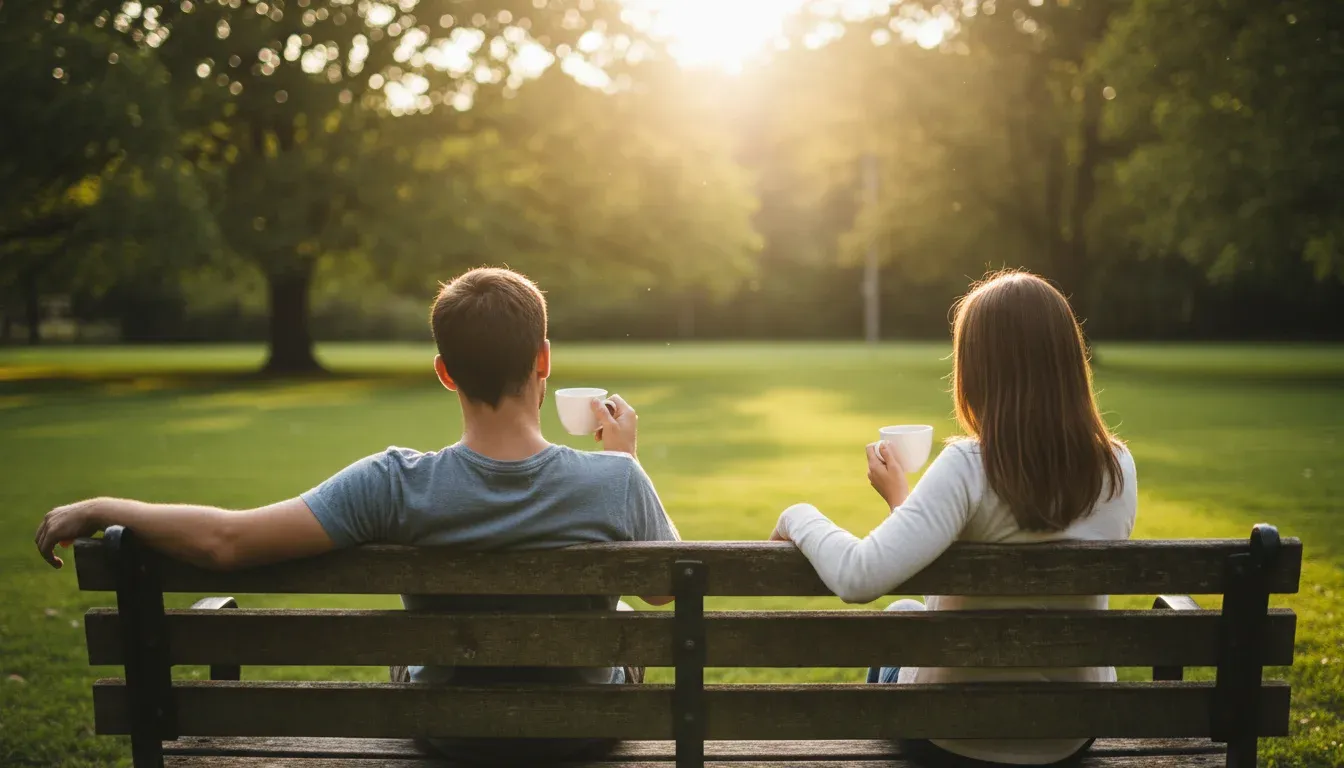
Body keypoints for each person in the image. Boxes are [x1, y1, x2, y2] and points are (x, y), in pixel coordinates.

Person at [35, 266, 679, 764]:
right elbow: (659, 588)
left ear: (445, 373)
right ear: (543, 360)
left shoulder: (391, 483)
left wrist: (101, 505)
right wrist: (624, 463)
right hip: (583, 735)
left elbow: (226, 542)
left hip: (448, 737)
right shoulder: (614, 480)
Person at [770, 270, 1137, 767]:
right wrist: (905, 501)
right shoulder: (1117, 467)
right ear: (1069, 362)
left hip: (954, 737)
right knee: (908, 615)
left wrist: (798, 516)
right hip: (1069, 733)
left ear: (978, 370)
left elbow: (857, 577)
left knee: (898, 625)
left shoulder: (969, 464)